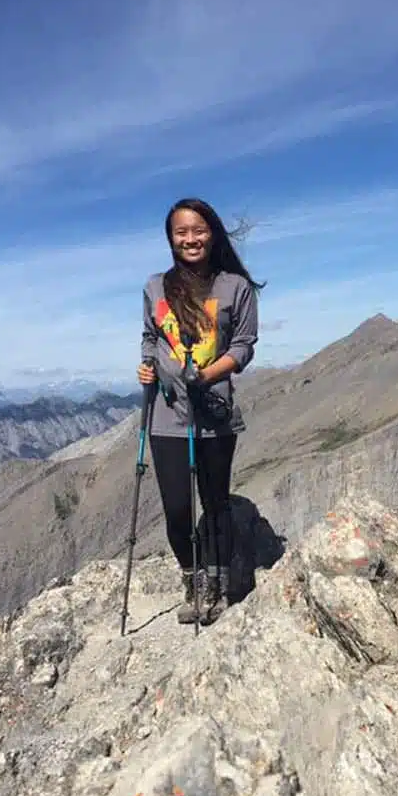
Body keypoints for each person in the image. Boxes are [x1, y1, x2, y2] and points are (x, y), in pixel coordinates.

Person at [137, 198, 262, 626]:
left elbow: (243, 346)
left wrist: (208, 376)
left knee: (215, 504)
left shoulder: (234, 287)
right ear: (171, 238)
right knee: (177, 510)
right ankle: (192, 580)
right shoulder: (156, 287)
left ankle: (218, 585)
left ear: (213, 233)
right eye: (181, 232)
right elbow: (150, 337)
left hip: (215, 414)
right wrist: (146, 364)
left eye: (198, 230)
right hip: (167, 417)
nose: (190, 239)